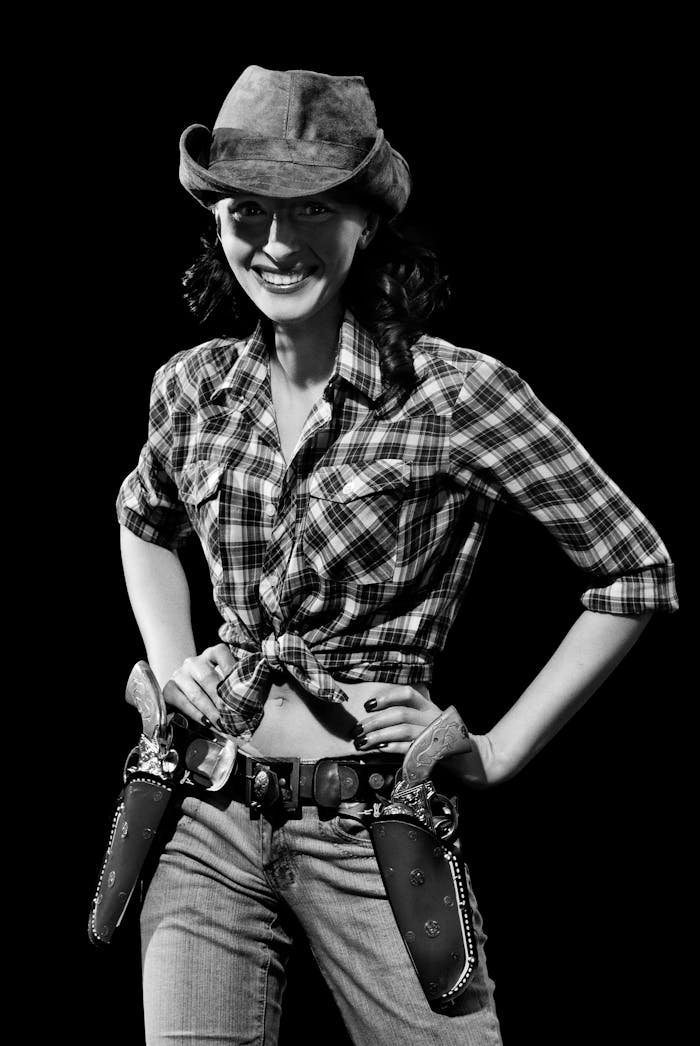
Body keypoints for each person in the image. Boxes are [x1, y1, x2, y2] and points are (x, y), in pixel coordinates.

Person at [116, 65, 678, 1046]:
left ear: (365, 221)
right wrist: (173, 667)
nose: (278, 244)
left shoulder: (457, 392)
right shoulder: (191, 387)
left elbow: (634, 569)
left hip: (375, 828)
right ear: (214, 221)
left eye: (314, 210)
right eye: (248, 212)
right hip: (203, 816)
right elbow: (141, 514)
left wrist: (496, 752)